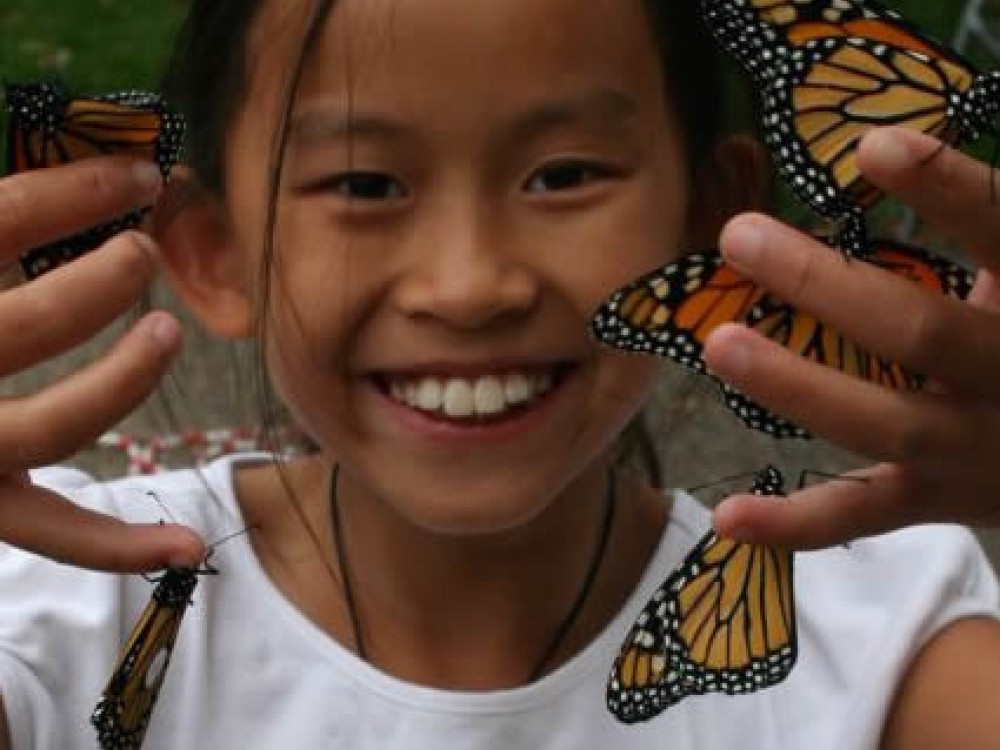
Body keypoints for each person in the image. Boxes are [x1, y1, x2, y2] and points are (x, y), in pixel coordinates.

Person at [0, 0, 998, 747]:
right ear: (218, 253)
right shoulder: (71, 607)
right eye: (365, 183)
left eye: (564, 175)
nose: (470, 286)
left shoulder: (875, 642)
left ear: (704, 227)